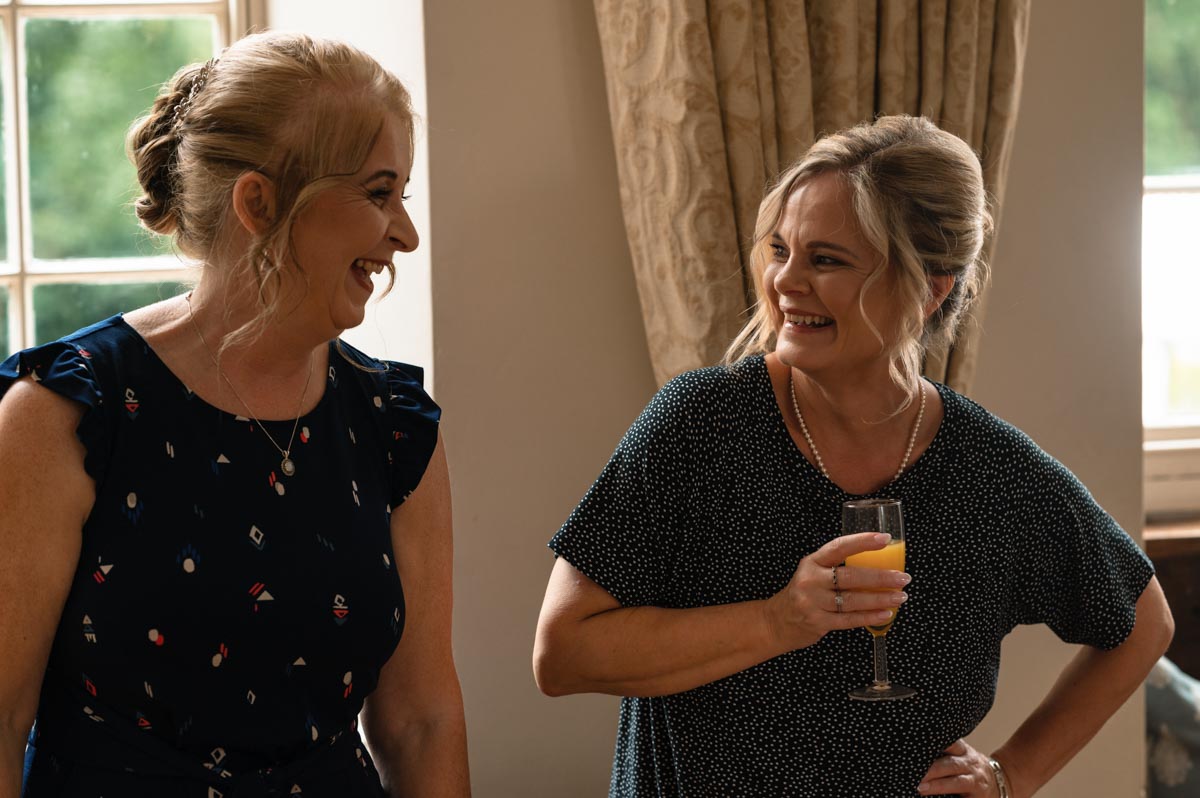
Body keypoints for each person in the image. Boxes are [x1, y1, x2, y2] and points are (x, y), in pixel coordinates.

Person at [533, 115, 1173, 797]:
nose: (785, 282)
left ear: (931, 286)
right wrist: (779, 621)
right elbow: (562, 655)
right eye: (780, 249)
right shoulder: (698, 427)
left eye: (827, 260)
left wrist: (1010, 775)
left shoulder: (991, 473)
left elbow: (1143, 623)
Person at [0, 32, 469, 797]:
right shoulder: (67, 414)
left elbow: (423, 723)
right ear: (259, 202)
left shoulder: (395, 425)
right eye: (378, 194)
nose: (406, 235)